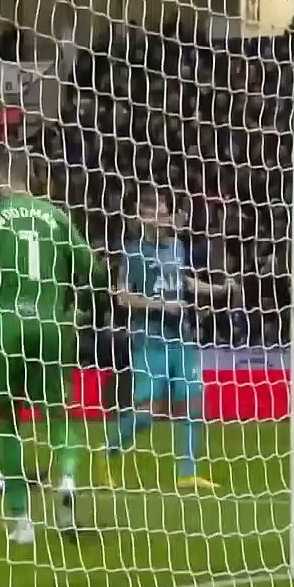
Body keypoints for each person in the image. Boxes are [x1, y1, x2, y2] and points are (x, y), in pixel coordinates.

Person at [0, 152, 108, 544]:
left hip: (5, 326)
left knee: (7, 422)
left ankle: (22, 523)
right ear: (29, 179)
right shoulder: (57, 217)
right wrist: (87, 309)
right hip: (54, 326)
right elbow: (95, 270)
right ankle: (66, 481)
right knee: (60, 417)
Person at [101, 189, 237, 491]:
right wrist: (161, 305)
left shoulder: (177, 247)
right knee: (148, 414)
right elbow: (122, 297)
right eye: (157, 212)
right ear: (145, 218)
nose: (163, 218)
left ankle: (187, 472)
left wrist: (216, 291)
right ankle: (108, 453)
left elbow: (183, 281)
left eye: (164, 211)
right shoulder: (132, 251)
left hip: (182, 340)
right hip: (150, 340)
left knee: (192, 406)